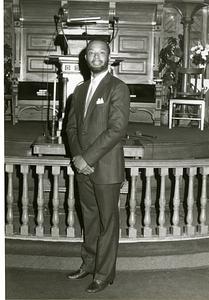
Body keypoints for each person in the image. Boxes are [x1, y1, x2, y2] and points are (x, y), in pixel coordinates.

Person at [66, 39, 130, 293]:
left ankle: (103, 275)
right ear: (85, 58)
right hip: (84, 166)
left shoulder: (118, 87)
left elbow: (116, 130)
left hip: (106, 168)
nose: (96, 57)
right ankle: (89, 264)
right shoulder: (79, 91)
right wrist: (78, 158)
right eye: (91, 53)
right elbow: (70, 128)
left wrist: (87, 158)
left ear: (109, 57)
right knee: (89, 219)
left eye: (101, 53)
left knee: (107, 222)